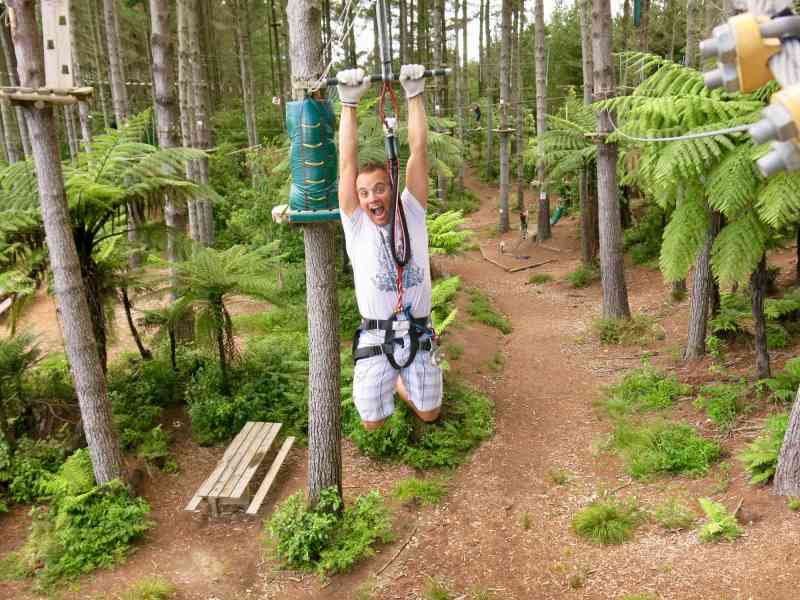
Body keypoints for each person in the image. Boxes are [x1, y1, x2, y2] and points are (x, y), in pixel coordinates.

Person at [336, 64, 443, 431]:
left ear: (392, 187)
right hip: (376, 334)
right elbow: (346, 163)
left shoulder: (410, 211)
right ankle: (396, 377)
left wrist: (414, 95)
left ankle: (404, 378)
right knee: (372, 423)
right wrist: (348, 104)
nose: (371, 198)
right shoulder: (357, 224)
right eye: (364, 193)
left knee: (430, 413)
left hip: (416, 329)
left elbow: (418, 152)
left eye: (379, 188)